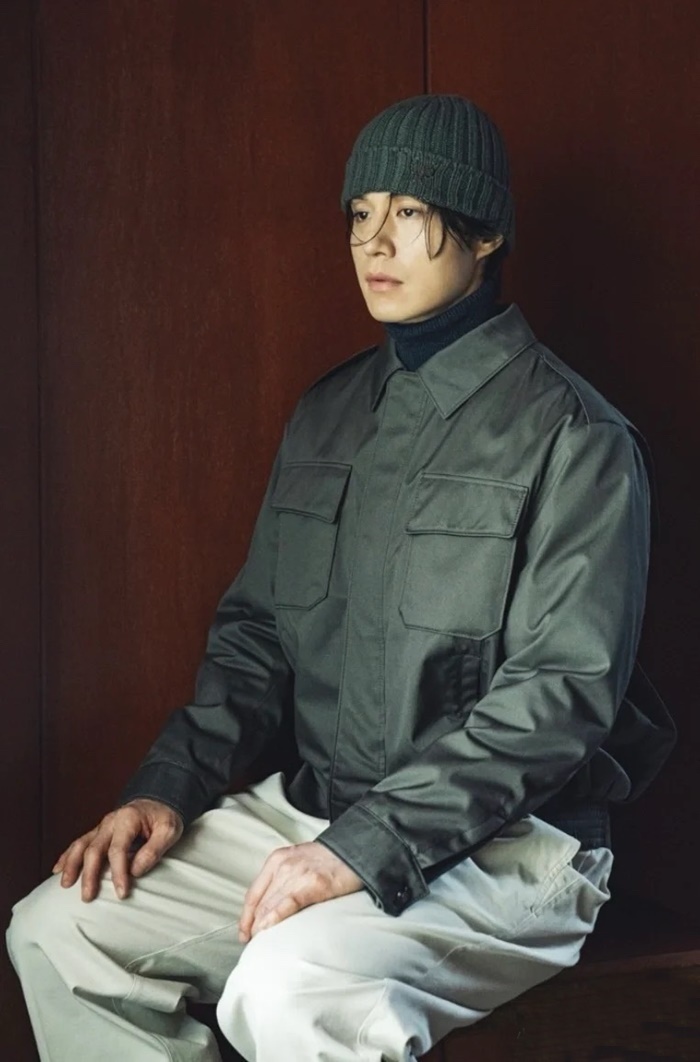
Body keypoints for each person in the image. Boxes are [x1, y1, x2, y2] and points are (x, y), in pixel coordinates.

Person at [7, 94, 675, 1062]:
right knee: (59, 929)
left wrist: (360, 850)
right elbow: (256, 641)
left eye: (411, 212)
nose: (375, 242)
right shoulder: (326, 414)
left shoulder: (576, 437)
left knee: (288, 988)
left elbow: (559, 698)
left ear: (485, 233)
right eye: (361, 213)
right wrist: (168, 787)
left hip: (513, 848)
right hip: (318, 811)